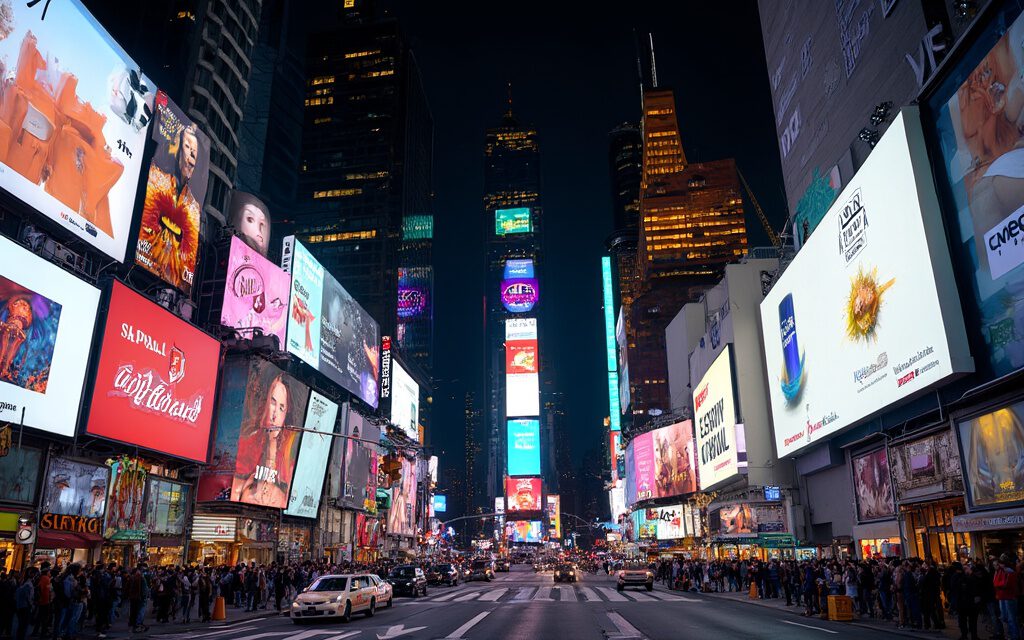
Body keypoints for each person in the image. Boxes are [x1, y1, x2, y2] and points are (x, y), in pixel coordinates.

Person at [994, 554, 1020, 640]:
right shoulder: (1000, 571)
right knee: (1006, 617)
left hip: (1009, 597)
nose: (996, 566)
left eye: (998, 564)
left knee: (1011, 618)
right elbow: (995, 583)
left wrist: (998, 585)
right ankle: (1011, 635)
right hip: (1003, 597)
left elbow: (1004, 584)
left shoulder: (1009, 571)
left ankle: (1014, 636)